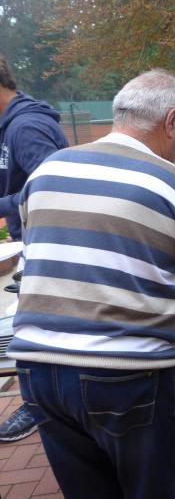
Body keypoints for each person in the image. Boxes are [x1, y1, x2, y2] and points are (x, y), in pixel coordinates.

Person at [6, 69, 175, 499]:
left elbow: (40, 259)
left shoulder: (46, 171)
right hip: (127, 373)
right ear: (171, 120)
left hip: (38, 372)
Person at [0, 52, 69, 443]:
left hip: (50, 245)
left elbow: (55, 188)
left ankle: (39, 404)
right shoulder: (10, 127)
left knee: (35, 330)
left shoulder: (27, 126)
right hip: (31, 242)